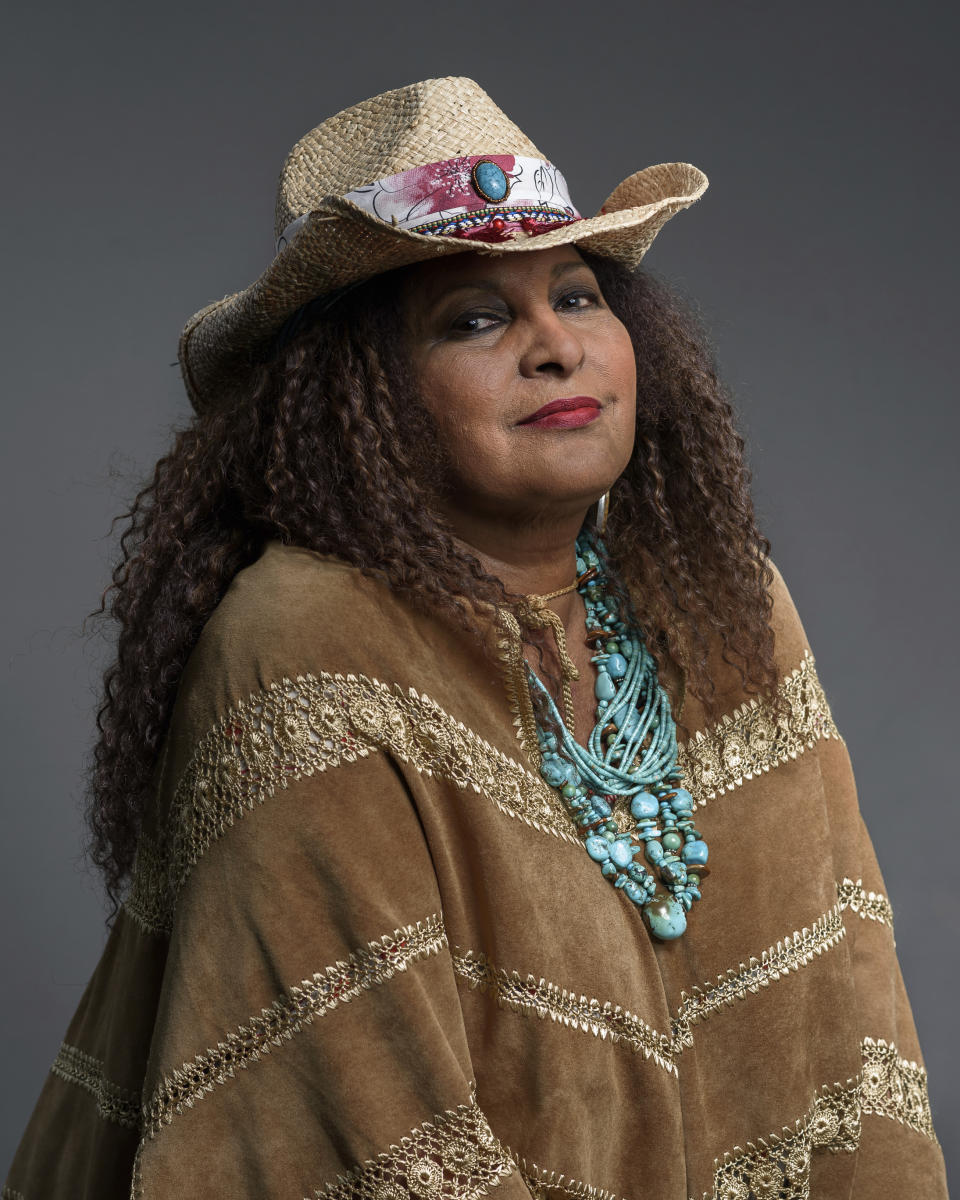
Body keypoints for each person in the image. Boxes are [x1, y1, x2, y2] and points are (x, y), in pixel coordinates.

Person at [4, 76, 948, 1199]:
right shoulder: (302, 647)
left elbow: (860, 1044)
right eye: (476, 319)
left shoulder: (717, 593)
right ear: (365, 392)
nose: (554, 345)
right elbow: (369, 1144)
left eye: (580, 297)